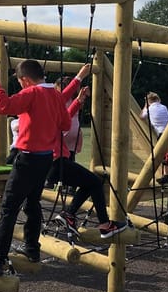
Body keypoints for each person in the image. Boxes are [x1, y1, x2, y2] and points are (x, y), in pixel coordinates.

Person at [0, 60, 79, 276]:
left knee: (9, 208)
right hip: (46, 159)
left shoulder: (32, 93)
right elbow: (65, 125)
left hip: (28, 159)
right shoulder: (56, 96)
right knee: (32, 203)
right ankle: (32, 247)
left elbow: (4, 107)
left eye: (21, 83)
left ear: (26, 80)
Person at [46, 86, 127, 242]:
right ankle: (104, 224)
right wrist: (79, 78)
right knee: (95, 182)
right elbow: (65, 116)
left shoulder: (45, 116)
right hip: (58, 161)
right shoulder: (49, 116)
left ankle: (69, 214)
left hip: (51, 164)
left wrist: (78, 100)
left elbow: (67, 116)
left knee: (89, 183)